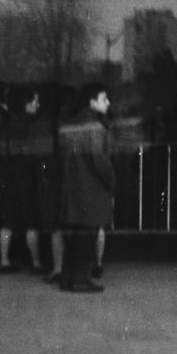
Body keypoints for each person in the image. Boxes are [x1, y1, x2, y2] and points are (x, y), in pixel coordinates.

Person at [57, 84, 116, 293]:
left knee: (73, 236)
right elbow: (100, 161)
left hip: (71, 188)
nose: (108, 102)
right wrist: (112, 183)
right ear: (91, 102)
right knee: (88, 235)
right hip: (91, 189)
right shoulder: (95, 128)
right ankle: (81, 280)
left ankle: (68, 278)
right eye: (104, 98)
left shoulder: (68, 124)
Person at [0, 86, 45, 273]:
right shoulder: (30, 125)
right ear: (25, 103)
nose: (38, 105)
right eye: (35, 101)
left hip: (5, 177)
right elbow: (35, 154)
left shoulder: (2, 122)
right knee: (31, 222)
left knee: (6, 221)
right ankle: (36, 262)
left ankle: (4, 261)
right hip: (26, 178)